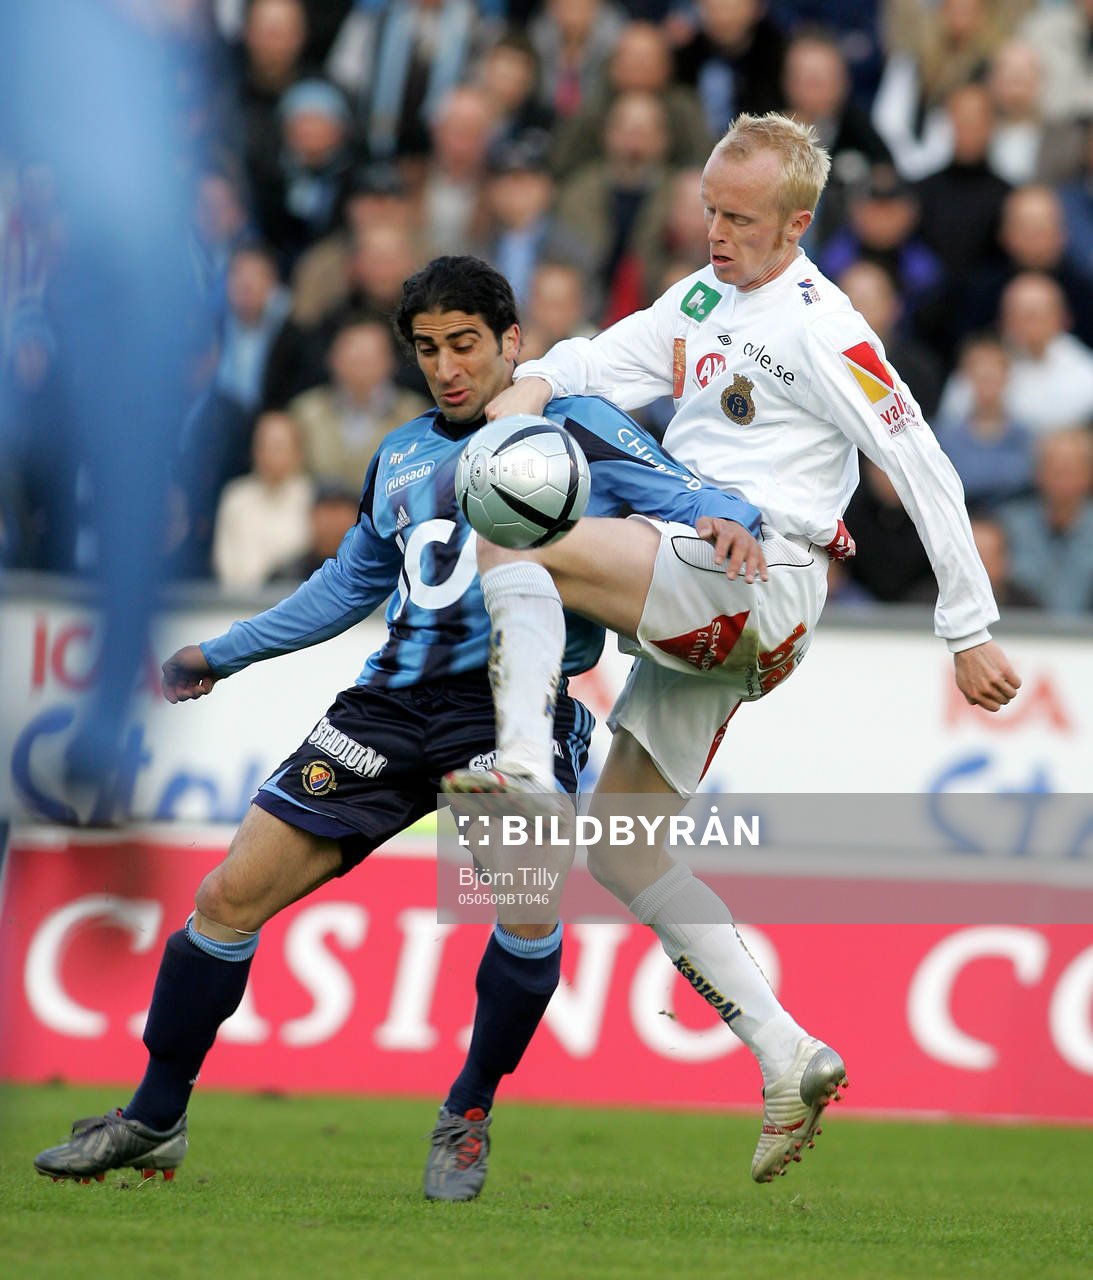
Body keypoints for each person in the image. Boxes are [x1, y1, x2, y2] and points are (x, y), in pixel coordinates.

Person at [32, 255, 765, 1199]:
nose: (447, 366)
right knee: (226, 899)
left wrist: (733, 517)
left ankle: (466, 1114)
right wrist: (223, 652)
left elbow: (685, 491)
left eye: (466, 344)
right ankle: (154, 1116)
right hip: (385, 711)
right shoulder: (404, 453)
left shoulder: (575, 428)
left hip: (515, 713)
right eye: (427, 349)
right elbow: (347, 586)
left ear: (511, 343)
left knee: (527, 915)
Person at [450, 111, 1021, 1183]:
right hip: (706, 588)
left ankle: (524, 757)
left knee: (511, 526)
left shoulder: (823, 325)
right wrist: (520, 397)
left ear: (797, 223)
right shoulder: (703, 296)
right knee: (622, 845)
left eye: (739, 217)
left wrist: (968, 625)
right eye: (709, 207)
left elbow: (922, 459)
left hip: (761, 575)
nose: (715, 230)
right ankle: (785, 1052)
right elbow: (588, 364)